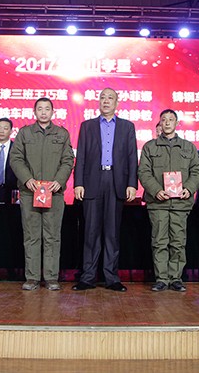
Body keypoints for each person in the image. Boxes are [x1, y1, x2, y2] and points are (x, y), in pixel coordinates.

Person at [72, 88, 138, 292]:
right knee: (90, 232)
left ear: (117, 103)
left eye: (110, 98)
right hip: (93, 180)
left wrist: (132, 184)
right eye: (103, 97)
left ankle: (111, 277)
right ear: (98, 102)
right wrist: (78, 183)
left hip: (116, 181)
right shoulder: (87, 126)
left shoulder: (127, 127)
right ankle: (88, 277)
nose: (106, 101)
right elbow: (81, 156)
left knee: (112, 232)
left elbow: (131, 157)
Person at [9, 97, 75, 291]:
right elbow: (16, 158)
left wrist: (59, 181)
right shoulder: (25, 133)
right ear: (34, 112)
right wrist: (26, 179)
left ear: (52, 112)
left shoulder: (62, 134)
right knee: (31, 236)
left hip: (54, 193)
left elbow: (68, 160)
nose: (44, 112)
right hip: (30, 193)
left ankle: (51, 277)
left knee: (52, 236)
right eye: (40, 109)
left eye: (47, 109)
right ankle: (32, 278)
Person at [138, 109, 199, 292]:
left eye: (171, 119)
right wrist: (156, 190)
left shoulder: (188, 147)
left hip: (180, 203)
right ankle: (161, 279)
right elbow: (143, 172)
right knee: (159, 241)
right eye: (164, 119)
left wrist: (189, 188)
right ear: (160, 123)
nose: (167, 122)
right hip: (158, 203)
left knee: (178, 242)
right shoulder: (150, 147)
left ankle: (176, 278)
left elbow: (197, 171)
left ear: (176, 123)